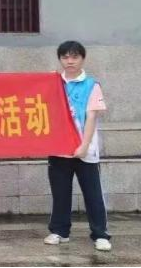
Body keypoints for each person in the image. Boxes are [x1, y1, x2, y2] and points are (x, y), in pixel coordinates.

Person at [44, 41, 112, 252]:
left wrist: (84, 145)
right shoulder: (54, 83)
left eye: (74, 57)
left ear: (82, 59)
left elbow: (91, 117)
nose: (70, 61)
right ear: (60, 60)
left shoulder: (92, 85)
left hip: (85, 151)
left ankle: (100, 234)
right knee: (60, 193)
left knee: (93, 194)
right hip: (59, 149)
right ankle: (60, 231)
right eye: (65, 57)